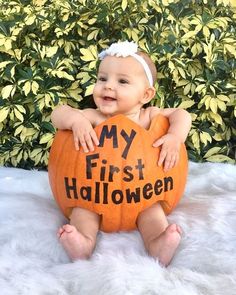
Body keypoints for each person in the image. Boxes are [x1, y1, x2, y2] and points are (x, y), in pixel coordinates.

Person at [51, 41, 192, 266]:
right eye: (102, 78)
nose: (108, 86)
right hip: (92, 193)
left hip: (143, 195)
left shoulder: (149, 117)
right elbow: (58, 113)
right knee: (83, 211)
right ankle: (82, 243)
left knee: (152, 213)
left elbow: (182, 114)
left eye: (122, 81)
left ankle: (158, 243)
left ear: (146, 94)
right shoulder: (93, 117)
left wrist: (175, 136)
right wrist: (75, 120)